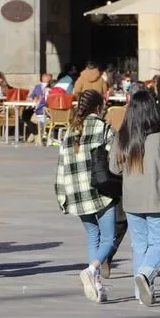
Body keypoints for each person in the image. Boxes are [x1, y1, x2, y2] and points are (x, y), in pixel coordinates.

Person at [109, 89, 160, 307]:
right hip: (157, 195)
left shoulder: (123, 134)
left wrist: (129, 175)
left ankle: (139, 292)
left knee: (139, 245)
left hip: (131, 198)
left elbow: (114, 165)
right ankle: (146, 274)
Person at [54, 89, 116, 303]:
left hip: (76, 193)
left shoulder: (70, 131)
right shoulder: (103, 127)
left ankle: (97, 284)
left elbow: (61, 165)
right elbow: (115, 159)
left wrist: (62, 196)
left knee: (93, 236)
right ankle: (90, 271)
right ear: (99, 107)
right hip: (100, 191)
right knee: (109, 237)